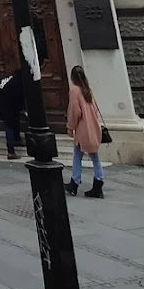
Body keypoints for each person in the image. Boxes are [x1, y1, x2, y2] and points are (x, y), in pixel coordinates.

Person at [65, 64, 104, 198]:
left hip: (83, 130)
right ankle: (98, 183)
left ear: (72, 77)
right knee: (95, 157)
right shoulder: (87, 90)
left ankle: (74, 183)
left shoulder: (75, 90)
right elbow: (95, 110)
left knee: (77, 156)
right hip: (93, 128)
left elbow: (74, 111)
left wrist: (70, 127)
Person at [0, 65, 27, 159]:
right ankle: (11, 152)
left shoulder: (11, 78)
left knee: (15, 118)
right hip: (4, 104)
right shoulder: (19, 83)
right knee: (9, 124)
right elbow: (21, 97)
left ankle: (17, 139)